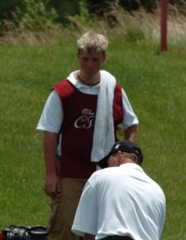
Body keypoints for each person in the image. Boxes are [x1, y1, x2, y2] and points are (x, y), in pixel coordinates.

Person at [36, 32, 139, 240]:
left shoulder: (114, 90)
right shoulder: (63, 92)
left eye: (95, 59)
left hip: (106, 172)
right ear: (77, 57)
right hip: (71, 171)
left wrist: (125, 160)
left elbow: (131, 123)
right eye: (85, 59)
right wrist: (51, 174)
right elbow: (50, 134)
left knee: (101, 227)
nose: (89, 65)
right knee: (66, 225)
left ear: (104, 59)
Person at [71, 141, 166, 240]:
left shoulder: (99, 177)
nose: (108, 167)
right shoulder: (158, 191)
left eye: (108, 162)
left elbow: (89, 232)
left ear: (119, 156)